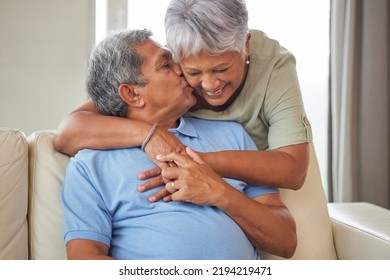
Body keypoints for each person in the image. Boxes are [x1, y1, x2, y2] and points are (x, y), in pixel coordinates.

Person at [61, 29, 297, 260]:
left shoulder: (232, 134)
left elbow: (286, 241)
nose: (181, 69)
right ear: (132, 94)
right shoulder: (90, 165)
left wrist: (218, 191)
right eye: (166, 65)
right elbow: (85, 259)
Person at [55, 0, 312, 203]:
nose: (210, 85)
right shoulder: (173, 63)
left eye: (221, 69)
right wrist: (150, 134)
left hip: (243, 184)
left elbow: (294, 170)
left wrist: (194, 162)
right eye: (194, 72)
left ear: (245, 44)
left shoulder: (274, 67)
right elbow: (69, 131)